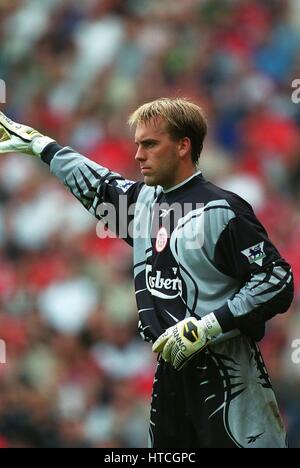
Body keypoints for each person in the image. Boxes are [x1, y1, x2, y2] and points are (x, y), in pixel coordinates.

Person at [0, 98, 294, 448]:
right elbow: (98, 184)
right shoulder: (143, 205)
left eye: (150, 144)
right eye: (138, 144)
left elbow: (277, 280)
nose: (138, 155)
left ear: (184, 146)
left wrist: (207, 327)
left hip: (229, 374)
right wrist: (41, 146)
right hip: (170, 372)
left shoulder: (223, 210)